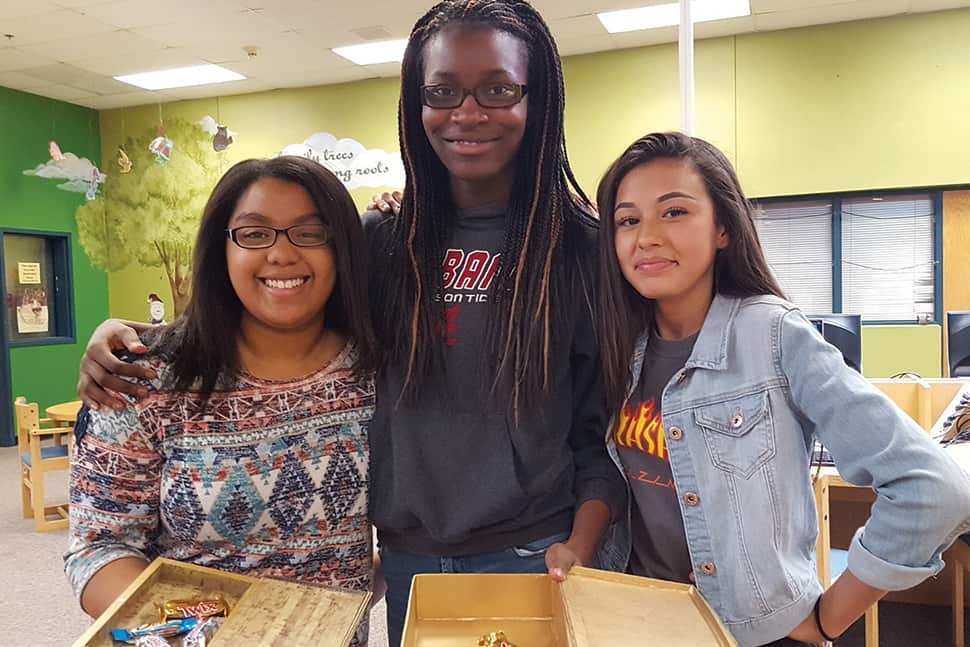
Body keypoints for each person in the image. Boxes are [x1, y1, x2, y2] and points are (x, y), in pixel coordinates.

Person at [72, 2, 624, 644]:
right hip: (408, 553)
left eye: (498, 89)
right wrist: (129, 334)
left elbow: (599, 428)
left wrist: (583, 542)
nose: (467, 112)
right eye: (441, 91)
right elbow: (281, 306)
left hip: (530, 550)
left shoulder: (583, 249)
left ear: (539, 98)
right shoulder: (382, 239)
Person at [590, 131, 970, 647]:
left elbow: (933, 489)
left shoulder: (772, 334)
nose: (646, 236)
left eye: (674, 212)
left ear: (723, 228)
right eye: (627, 220)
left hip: (754, 633)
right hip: (642, 621)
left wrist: (829, 617)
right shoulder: (622, 345)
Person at [64, 157, 380, 646]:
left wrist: (337, 606)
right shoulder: (144, 377)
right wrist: (218, 631)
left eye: (310, 232)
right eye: (254, 234)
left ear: (342, 248)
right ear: (221, 250)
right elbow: (98, 547)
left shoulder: (380, 374)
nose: (281, 254)